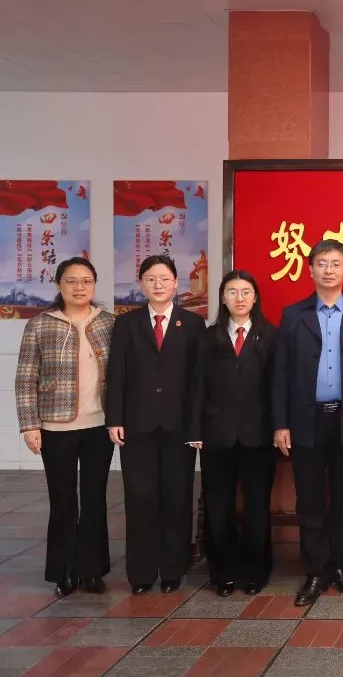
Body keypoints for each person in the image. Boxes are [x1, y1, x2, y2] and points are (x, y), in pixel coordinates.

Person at [273, 239, 343, 607]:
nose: (329, 270)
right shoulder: (293, 315)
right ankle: (315, 570)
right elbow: (281, 373)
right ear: (311, 269)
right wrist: (281, 423)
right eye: (322, 263)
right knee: (310, 499)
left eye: (335, 263)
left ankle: (340, 567)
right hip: (307, 420)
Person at [16, 257, 115, 597]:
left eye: (86, 281)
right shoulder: (40, 325)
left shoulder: (109, 323)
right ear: (59, 284)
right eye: (71, 281)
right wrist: (30, 426)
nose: (79, 287)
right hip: (54, 427)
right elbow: (25, 379)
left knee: (94, 498)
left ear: (94, 285)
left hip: (99, 426)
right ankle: (63, 572)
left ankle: (92, 571)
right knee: (62, 502)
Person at [106, 254, 204, 595]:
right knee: (140, 498)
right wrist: (114, 418)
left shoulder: (193, 324)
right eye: (151, 279)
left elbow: (198, 381)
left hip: (179, 426)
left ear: (176, 283)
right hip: (137, 425)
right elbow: (116, 374)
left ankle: (173, 569)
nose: (158, 285)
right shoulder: (126, 324)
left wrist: (196, 426)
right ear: (141, 284)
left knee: (177, 497)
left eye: (164, 279)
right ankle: (142, 573)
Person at [190, 271, 277, 597]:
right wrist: (195, 430)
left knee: (257, 506)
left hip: (259, 435)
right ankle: (222, 573)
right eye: (232, 292)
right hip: (216, 435)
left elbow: (278, 387)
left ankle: (256, 572)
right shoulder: (207, 338)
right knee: (218, 507)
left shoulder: (271, 336)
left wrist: (280, 427)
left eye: (246, 292)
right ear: (223, 298)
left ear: (255, 298)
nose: (239, 298)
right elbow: (196, 387)